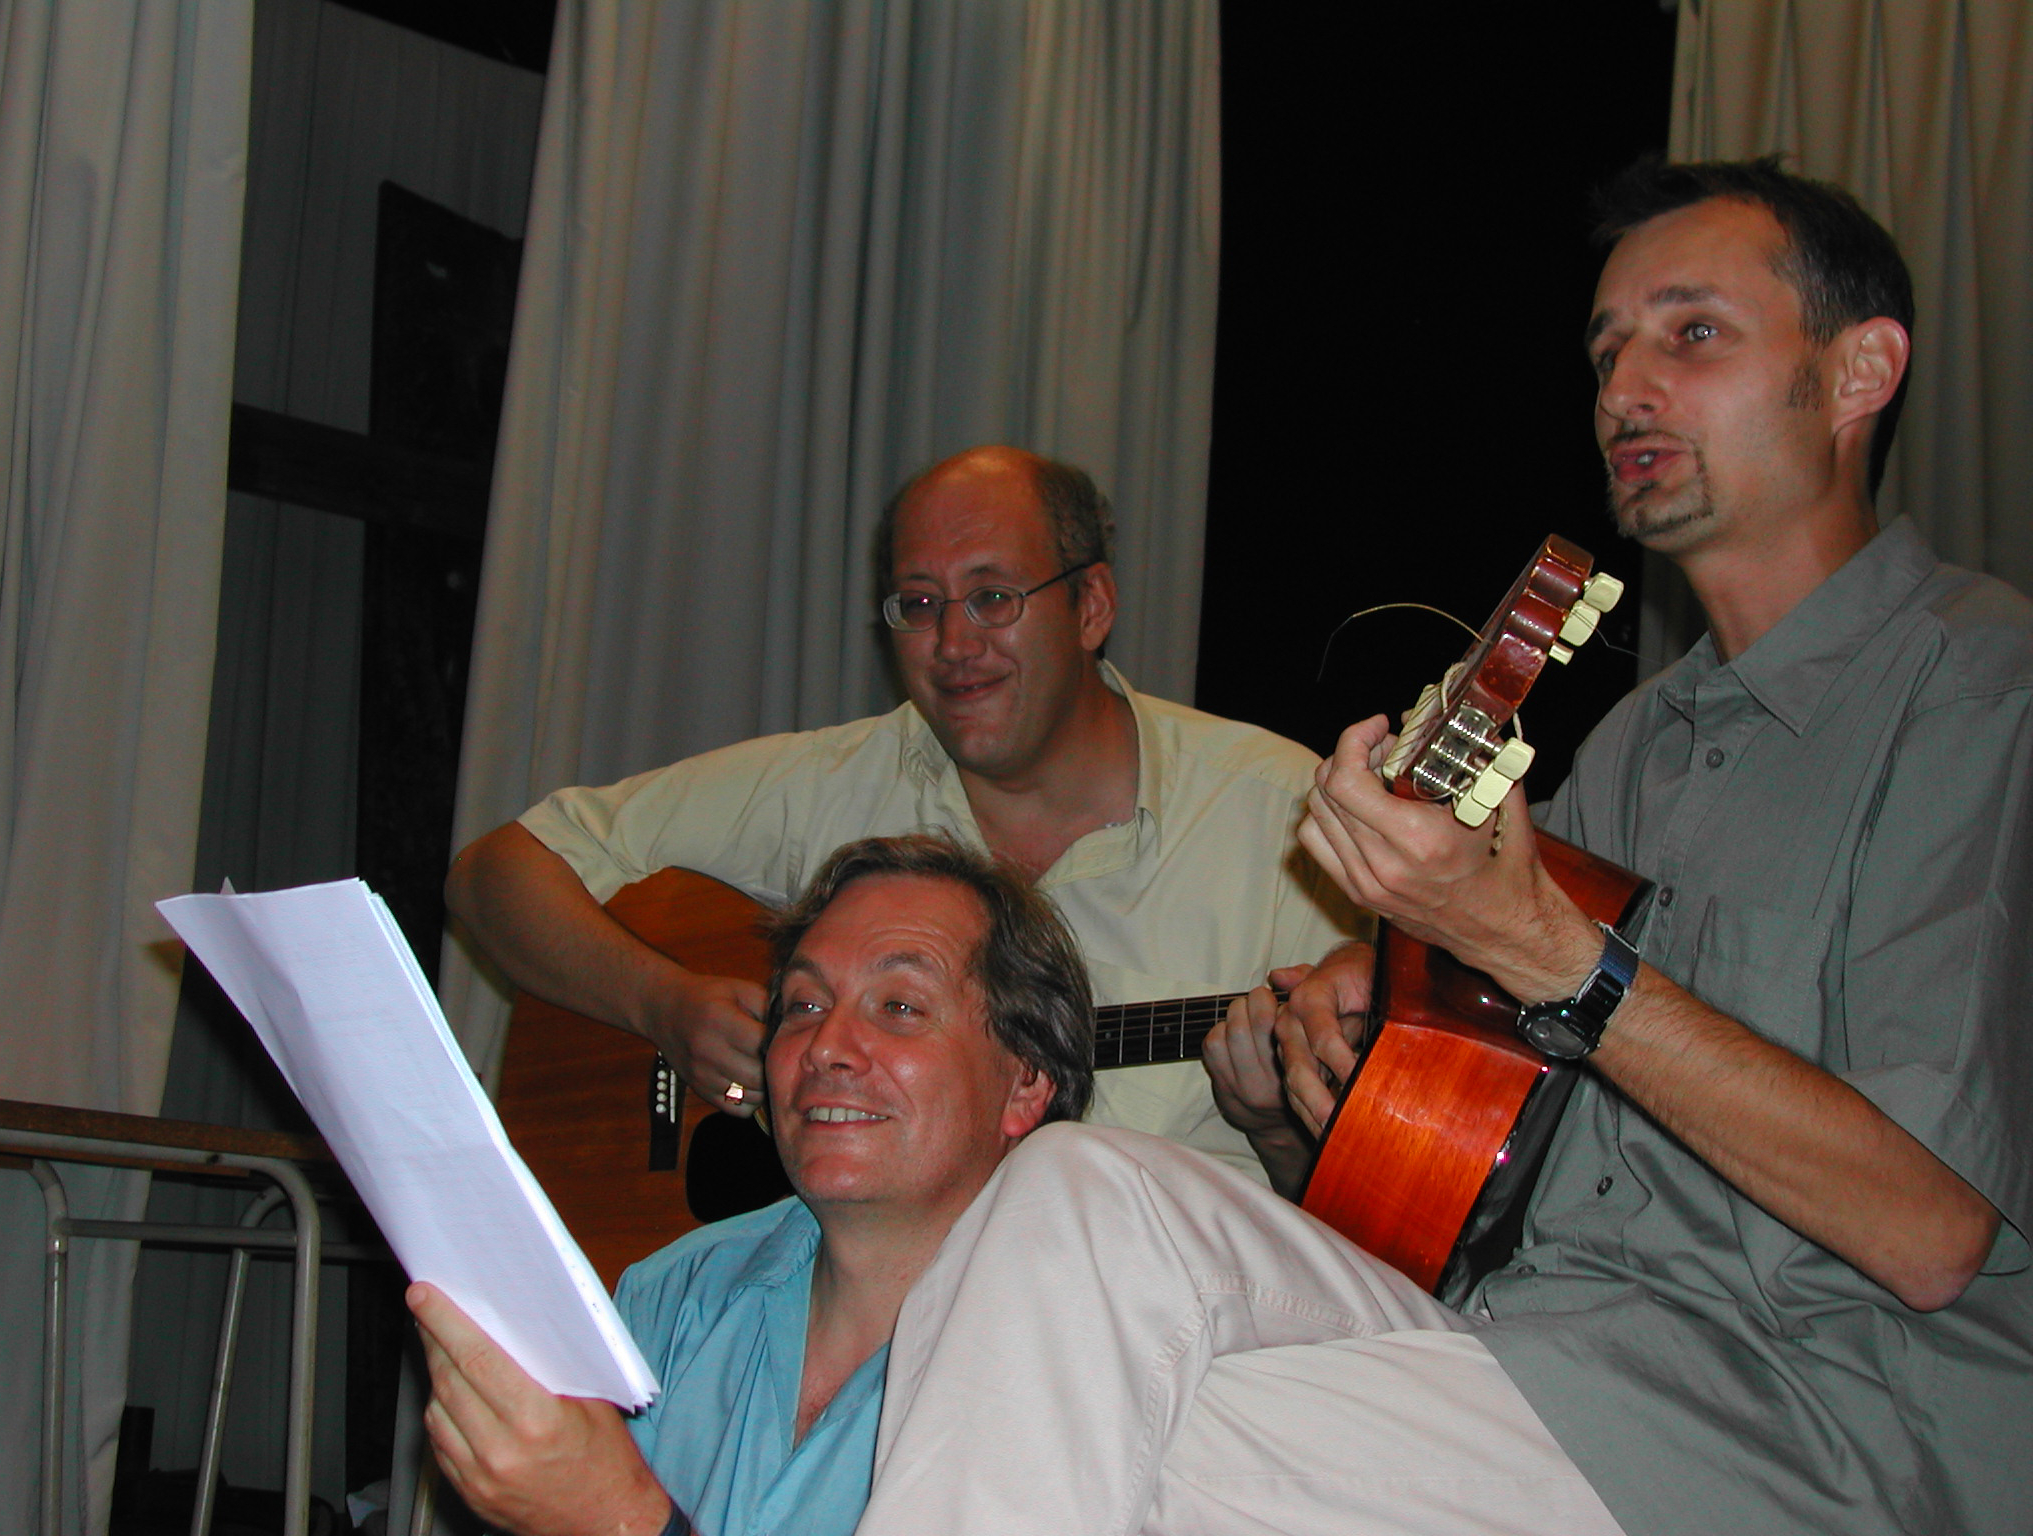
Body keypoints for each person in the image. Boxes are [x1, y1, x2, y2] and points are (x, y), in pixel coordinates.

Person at [852, 158, 2033, 1536]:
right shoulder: (1638, 744)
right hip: (1530, 1344)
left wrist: (1539, 952)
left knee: (1134, 1445)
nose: (1624, 388)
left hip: (1808, 1424)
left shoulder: (1976, 691)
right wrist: (1323, 1084)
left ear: (1858, 372)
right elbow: (1468, 1174)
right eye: (1606, 349)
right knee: (1067, 1189)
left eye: (1693, 333)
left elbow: (1930, 1235)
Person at [446, 444, 1362, 1190]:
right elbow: (495, 874)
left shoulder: (1284, 817)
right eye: (919, 604)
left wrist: (1277, 1128)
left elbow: (1373, 1216)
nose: (954, 644)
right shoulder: (831, 783)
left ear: (1091, 607)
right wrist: (662, 1004)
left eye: (993, 598)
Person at [410, 833, 1096, 1536]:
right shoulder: (670, 1295)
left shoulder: (1079, 1362)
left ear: (1025, 1082)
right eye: (803, 1005)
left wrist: (616, 1518)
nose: (824, 1047)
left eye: (899, 1007)